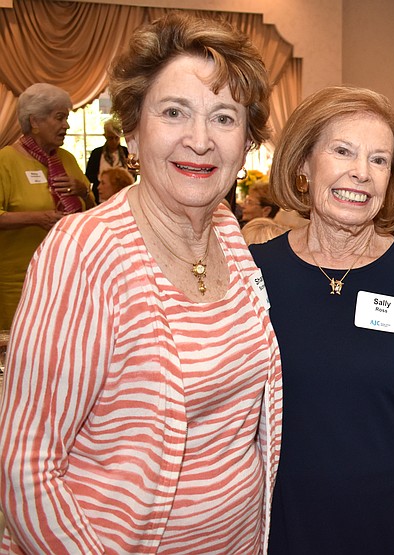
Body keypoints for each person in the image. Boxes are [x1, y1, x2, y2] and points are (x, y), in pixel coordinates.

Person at [0, 13, 282, 554]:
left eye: (224, 117)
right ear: (132, 130)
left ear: (246, 142)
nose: (200, 141)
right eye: (174, 112)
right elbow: (26, 468)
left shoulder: (229, 235)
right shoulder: (83, 252)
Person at [251, 86, 394, 555]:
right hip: (276, 529)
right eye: (342, 151)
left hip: (390, 530)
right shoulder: (255, 271)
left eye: (379, 160)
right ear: (304, 164)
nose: (360, 173)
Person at [0, 83, 94, 330]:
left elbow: (91, 211)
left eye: (67, 117)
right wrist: (38, 218)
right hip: (18, 280)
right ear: (34, 122)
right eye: (59, 118)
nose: (67, 126)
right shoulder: (6, 161)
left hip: (67, 275)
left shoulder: (67, 159)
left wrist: (83, 191)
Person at [85, 119, 131, 203]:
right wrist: (104, 181)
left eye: (116, 138)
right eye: (110, 138)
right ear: (105, 136)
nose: (113, 141)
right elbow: (88, 175)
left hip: (122, 196)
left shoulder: (126, 152)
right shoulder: (97, 153)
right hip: (101, 197)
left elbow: (131, 175)